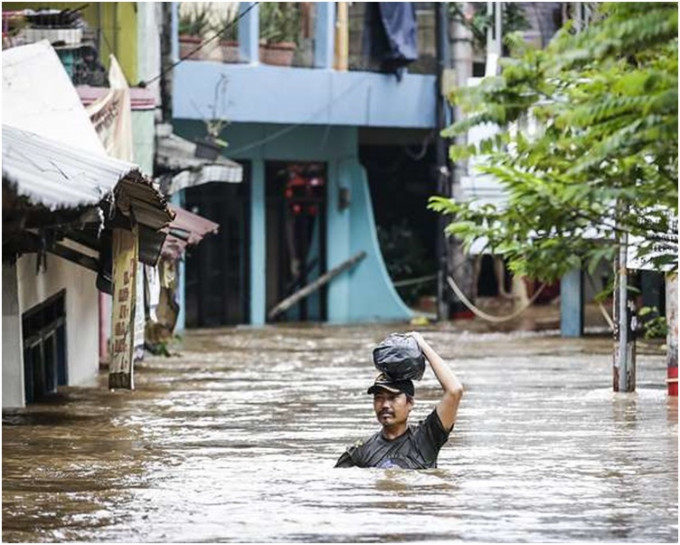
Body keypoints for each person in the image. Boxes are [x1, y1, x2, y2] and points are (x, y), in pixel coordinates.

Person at [335, 332, 464, 469]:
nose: (384, 405)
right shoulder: (360, 452)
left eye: (392, 398)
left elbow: (454, 390)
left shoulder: (426, 438)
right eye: (379, 398)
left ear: (410, 403)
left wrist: (423, 345)